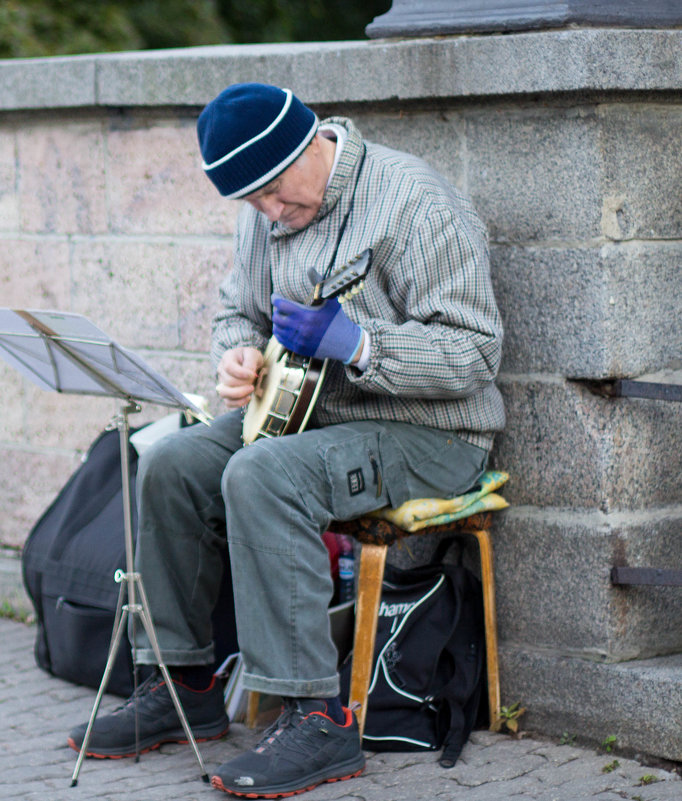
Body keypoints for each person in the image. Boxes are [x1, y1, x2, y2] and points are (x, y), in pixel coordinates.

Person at [66, 83, 505, 797]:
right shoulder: (265, 211)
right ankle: (183, 684)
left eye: (273, 191)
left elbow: (477, 355)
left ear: (310, 144)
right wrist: (238, 356)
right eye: (252, 202)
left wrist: (360, 344)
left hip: (434, 433)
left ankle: (315, 717)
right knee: (172, 462)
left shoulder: (414, 203)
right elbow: (236, 310)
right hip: (307, 423)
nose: (270, 212)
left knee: (262, 475)